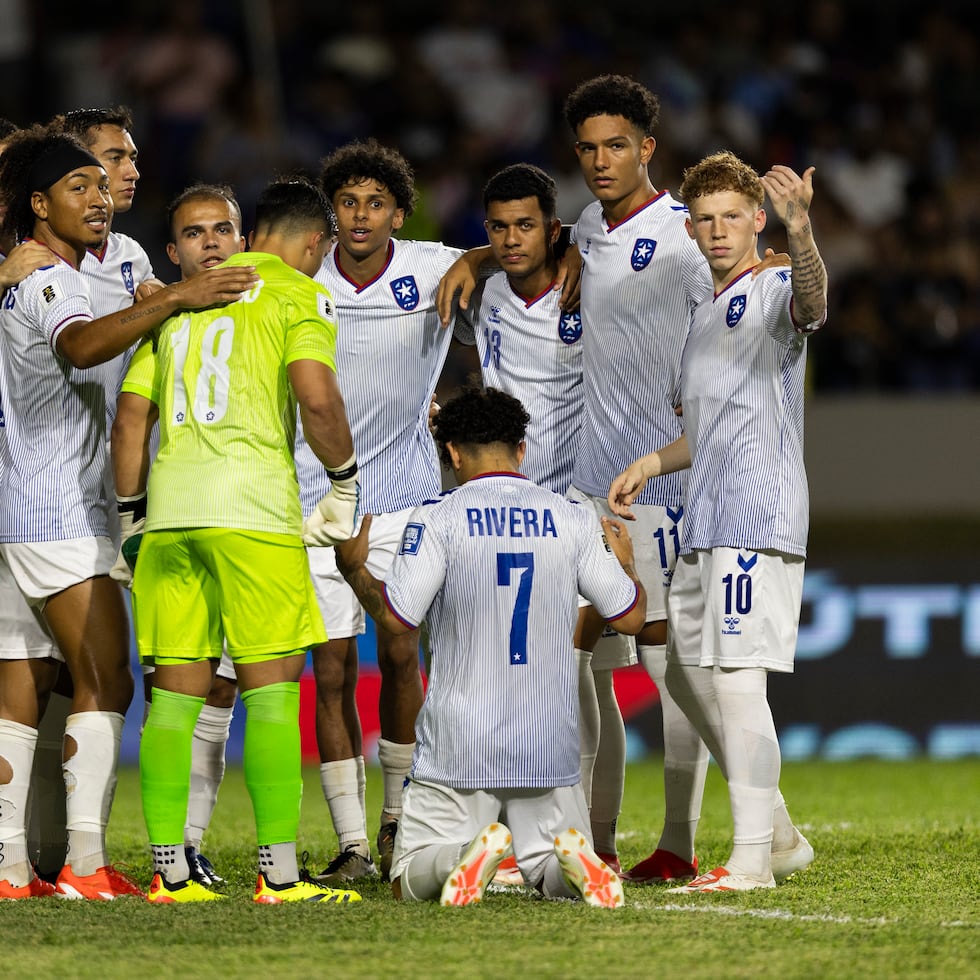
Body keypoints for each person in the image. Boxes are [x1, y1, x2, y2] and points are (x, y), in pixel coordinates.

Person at [0, 126, 257, 901]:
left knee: (20, 685)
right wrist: (181, 294)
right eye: (81, 188)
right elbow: (79, 348)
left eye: (102, 187)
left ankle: (11, 869)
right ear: (39, 205)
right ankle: (83, 864)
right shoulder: (49, 279)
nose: (101, 198)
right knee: (107, 679)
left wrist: (155, 294)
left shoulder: (82, 269)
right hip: (64, 512)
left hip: (23, 508)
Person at [114, 175, 362, 905]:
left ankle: (170, 873)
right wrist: (344, 482)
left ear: (245, 234)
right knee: (274, 696)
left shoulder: (172, 307)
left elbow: (130, 421)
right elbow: (316, 397)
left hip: (169, 517)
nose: (212, 244)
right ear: (313, 245)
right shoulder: (294, 293)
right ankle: (280, 877)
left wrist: (133, 519)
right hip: (253, 512)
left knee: (174, 702)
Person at [334, 385, 646, 908]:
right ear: (521, 449)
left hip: (460, 743)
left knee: (406, 875)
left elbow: (395, 619)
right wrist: (629, 565)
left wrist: (353, 569)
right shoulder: (570, 518)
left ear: (452, 453)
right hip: (546, 743)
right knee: (547, 867)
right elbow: (632, 617)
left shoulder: (438, 518)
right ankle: (573, 862)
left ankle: (461, 857)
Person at [609, 150, 826, 891]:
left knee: (737, 683)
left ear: (756, 219)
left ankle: (751, 860)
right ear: (692, 230)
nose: (718, 229)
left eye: (733, 216)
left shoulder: (770, 288)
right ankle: (783, 833)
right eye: (704, 219)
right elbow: (707, 430)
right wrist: (652, 463)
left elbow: (814, 305)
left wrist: (801, 235)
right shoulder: (704, 313)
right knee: (677, 671)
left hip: (755, 514)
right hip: (705, 519)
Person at [297, 138, 480, 885]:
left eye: (376, 203)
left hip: (404, 499)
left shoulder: (433, 266)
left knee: (402, 653)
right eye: (348, 202)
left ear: (399, 214)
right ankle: (350, 843)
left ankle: (400, 819)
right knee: (331, 669)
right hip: (313, 500)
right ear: (331, 211)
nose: (362, 215)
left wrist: (477, 259)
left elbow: (519, 247)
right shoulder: (299, 277)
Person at [559, 73, 711, 880]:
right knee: (587, 665)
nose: (600, 160)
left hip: (670, 486)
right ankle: (599, 835)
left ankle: (681, 842)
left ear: (648, 148)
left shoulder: (688, 234)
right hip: (593, 486)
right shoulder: (586, 225)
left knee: (673, 668)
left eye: (616, 144)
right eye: (587, 148)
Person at [110, 182, 248, 888]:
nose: (212, 242)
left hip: (251, 520)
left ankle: (187, 846)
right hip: (182, 525)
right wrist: (132, 516)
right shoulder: (162, 321)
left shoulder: (271, 306)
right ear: (173, 252)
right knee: (180, 690)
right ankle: (174, 851)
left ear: (244, 239)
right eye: (195, 234)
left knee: (216, 691)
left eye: (223, 228)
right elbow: (131, 418)